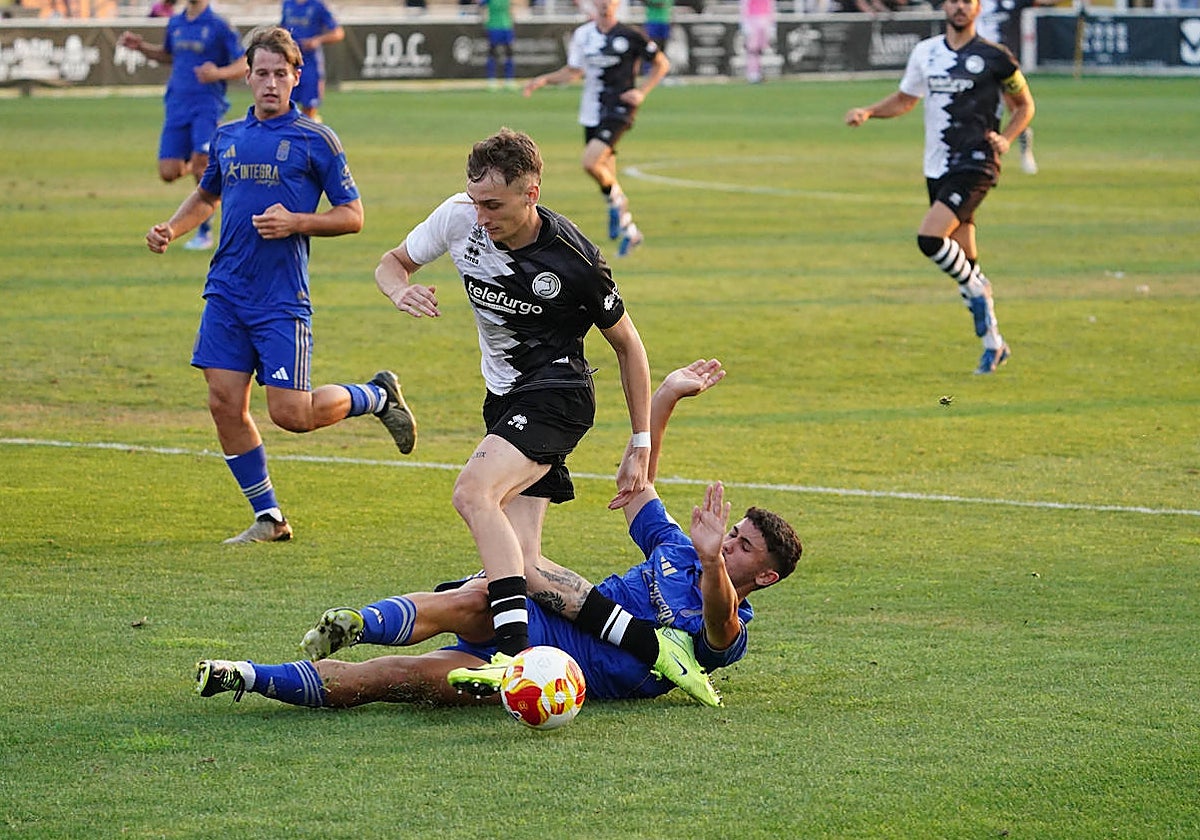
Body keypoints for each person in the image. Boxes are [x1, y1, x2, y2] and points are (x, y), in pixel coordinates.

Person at [195, 359, 804, 709]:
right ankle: (357, 621)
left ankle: (245, 675)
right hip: (541, 617)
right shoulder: (675, 552)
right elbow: (638, 486)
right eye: (733, 534)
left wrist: (712, 566)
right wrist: (664, 400)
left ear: (766, 576)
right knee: (481, 593)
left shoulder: (729, 633)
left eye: (742, 545)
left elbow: (721, 621)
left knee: (384, 681)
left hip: (551, 676)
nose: (727, 542)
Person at [373, 128, 723, 705]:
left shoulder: (574, 261)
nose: (481, 216)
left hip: (558, 394)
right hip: (504, 397)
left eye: (494, 205)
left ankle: (511, 655)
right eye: (475, 200)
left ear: (531, 192)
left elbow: (629, 347)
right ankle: (655, 647)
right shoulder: (459, 217)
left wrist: (640, 439)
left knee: (472, 494)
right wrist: (398, 291)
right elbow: (391, 263)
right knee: (527, 566)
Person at [142, 25, 417, 544]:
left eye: (280, 74)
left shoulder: (317, 139)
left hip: (280, 298)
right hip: (225, 291)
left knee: (292, 414)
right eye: (261, 73)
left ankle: (376, 396)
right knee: (224, 401)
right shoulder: (226, 137)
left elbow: (353, 215)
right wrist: (171, 229)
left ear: (296, 76)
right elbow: (206, 196)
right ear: (246, 77)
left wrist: (298, 222)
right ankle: (268, 517)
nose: (270, 83)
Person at [844, 0, 1035, 375]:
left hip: (977, 162)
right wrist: (869, 111)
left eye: (968, 1)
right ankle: (994, 344)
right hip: (938, 165)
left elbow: (1023, 105)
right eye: (954, 0)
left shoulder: (996, 58)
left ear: (978, 8)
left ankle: (980, 290)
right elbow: (905, 99)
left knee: (930, 239)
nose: (960, 6)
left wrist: (1008, 139)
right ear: (944, 6)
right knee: (967, 260)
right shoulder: (925, 53)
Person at [522, 0, 670, 258]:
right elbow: (573, 72)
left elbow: (661, 64)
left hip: (619, 110)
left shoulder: (630, 35)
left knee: (591, 162)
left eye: (610, 1)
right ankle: (631, 231)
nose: (605, 5)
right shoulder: (584, 35)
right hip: (592, 111)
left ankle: (617, 202)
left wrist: (641, 92)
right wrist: (544, 79)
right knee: (606, 172)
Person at [120, 0, 247, 251]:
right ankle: (211, 162)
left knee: (201, 164)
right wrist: (142, 48)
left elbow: (245, 63)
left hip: (207, 104)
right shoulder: (176, 22)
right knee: (168, 172)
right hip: (177, 104)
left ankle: (204, 232)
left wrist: (218, 74)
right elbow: (169, 55)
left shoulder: (219, 25)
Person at [977, 0, 1056, 174]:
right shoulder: (971, 4)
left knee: (1016, 108)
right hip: (975, 62)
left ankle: (1025, 151)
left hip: (1005, 64)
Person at [280, 0, 344, 122]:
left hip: (310, 63)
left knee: (309, 106)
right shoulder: (287, 4)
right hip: (289, 62)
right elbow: (283, 27)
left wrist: (317, 40)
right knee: (284, 106)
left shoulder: (317, 5)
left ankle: (309, 132)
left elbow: (338, 33)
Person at [479, 0, 515, 90]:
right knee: (493, 53)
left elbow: (510, 9)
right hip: (493, 26)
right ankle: (491, 80)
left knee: (509, 53)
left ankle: (509, 80)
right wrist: (484, 21)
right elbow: (481, 6)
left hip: (507, 27)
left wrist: (512, 21)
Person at [739, 0, 775, 84]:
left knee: (759, 50)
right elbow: (744, 6)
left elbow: (771, 6)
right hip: (752, 19)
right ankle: (752, 73)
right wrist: (745, 23)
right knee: (752, 50)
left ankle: (758, 72)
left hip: (764, 19)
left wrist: (771, 24)